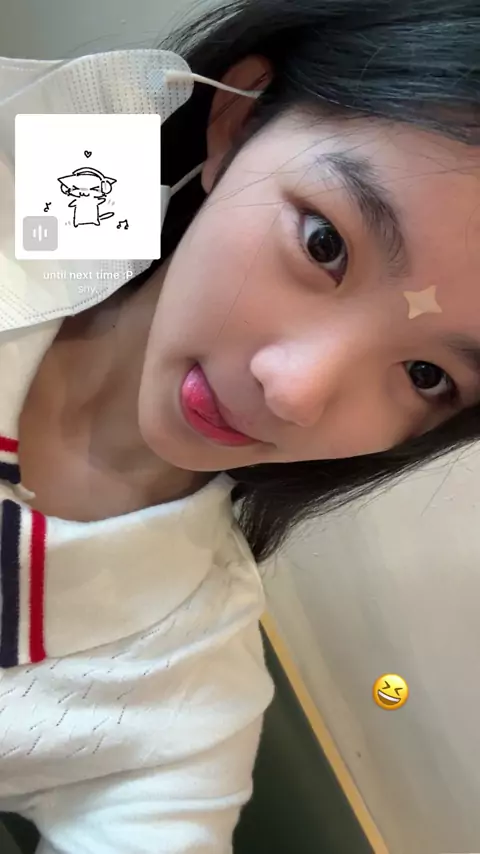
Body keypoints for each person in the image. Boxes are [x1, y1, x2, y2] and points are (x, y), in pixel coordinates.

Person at [0, 0, 478, 850]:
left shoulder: (187, 687)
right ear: (236, 122)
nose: (295, 393)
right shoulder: (43, 189)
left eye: (425, 376)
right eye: (324, 244)